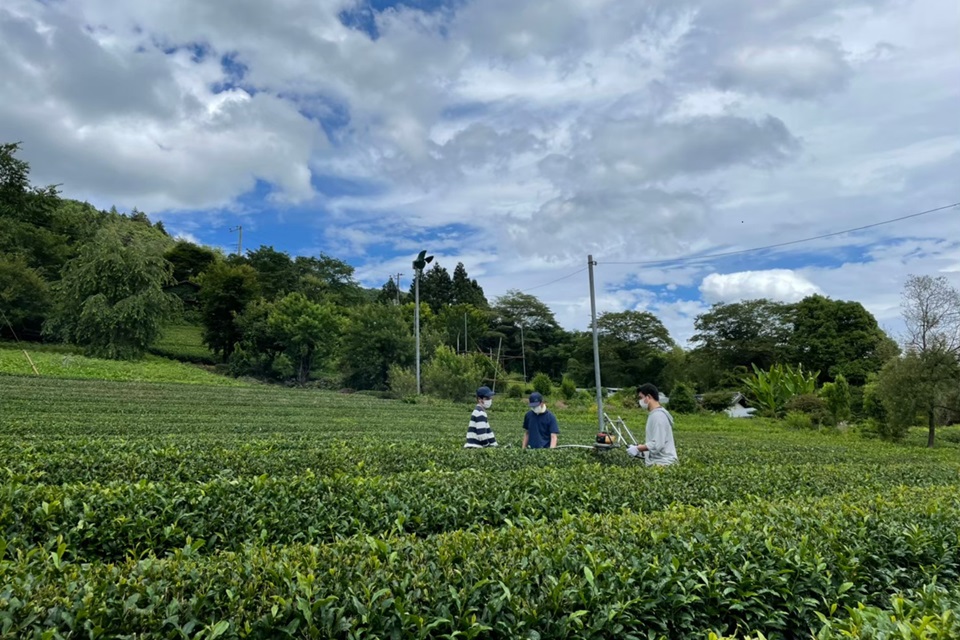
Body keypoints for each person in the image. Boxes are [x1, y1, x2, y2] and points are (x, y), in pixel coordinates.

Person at [627, 383, 678, 466]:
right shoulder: (654, 414)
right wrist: (643, 450)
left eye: (641, 398)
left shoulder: (658, 416)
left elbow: (657, 444)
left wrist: (638, 448)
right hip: (657, 462)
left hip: (663, 464)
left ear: (648, 397)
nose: (640, 401)